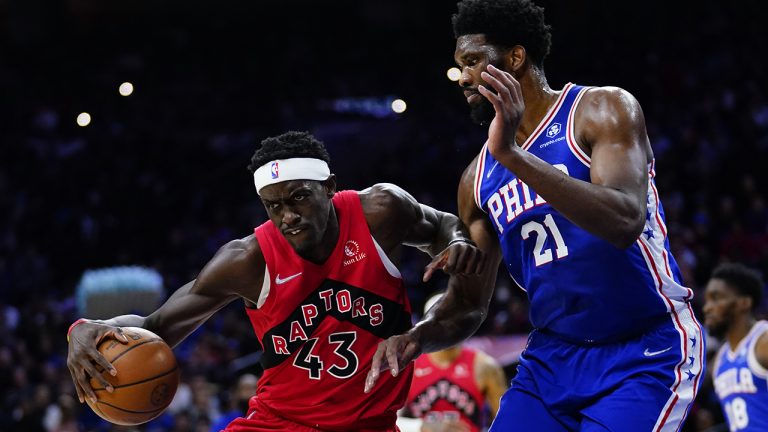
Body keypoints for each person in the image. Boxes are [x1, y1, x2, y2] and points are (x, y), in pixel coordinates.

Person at [367, 1, 704, 430]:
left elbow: (624, 220)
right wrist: (417, 336)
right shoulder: (476, 179)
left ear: (515, 57)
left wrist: (512, 155)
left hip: (643, 349)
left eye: (472, 61)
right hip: (552, 359)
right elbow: (469, 303)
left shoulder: (601, 110)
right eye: (459, 66)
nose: (464, 77)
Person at [66, 131, 488, 432]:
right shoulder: (246, 260)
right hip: (280, 424)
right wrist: (86, 331)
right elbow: (156, 326)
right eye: (274, 206)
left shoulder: (381, 211)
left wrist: (455, 241)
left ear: (329, 187)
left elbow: (442, 224)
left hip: (372, 425)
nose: (288, 216)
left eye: (299, 197)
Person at [398, 293, 507, 432]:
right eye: (442, 322)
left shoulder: (485, 366)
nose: (449, 328)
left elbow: (508, 422)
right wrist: (422, 426)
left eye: (456, 320)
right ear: (426, 326)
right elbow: (386, 422)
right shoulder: (408, 367)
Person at [704, 263, 768, 431]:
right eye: (707, 300)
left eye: (716, 298)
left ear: (744, 303)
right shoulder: (719, 360)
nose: (707, 308)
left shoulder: (763, 341)